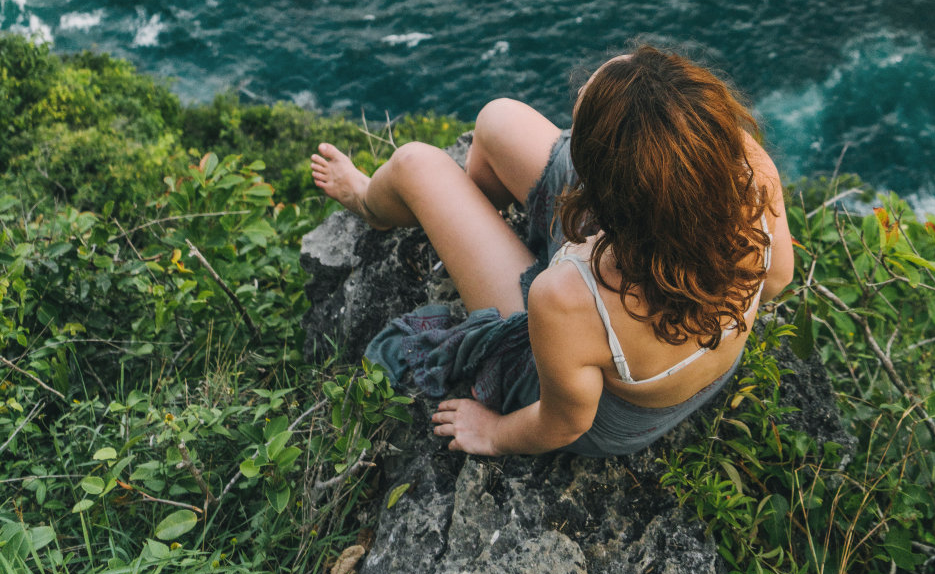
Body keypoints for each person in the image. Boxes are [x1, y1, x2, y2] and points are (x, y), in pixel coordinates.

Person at [309, 44, 794, 457]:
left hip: (602, 417)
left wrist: (494, 434)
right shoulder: (745, 166)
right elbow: (777, 280)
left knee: (416, 164)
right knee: (497, 119)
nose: (577, 102)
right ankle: (480, 224)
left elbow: (564, 423)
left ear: (601, 196)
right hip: (648, 242)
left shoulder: (567, 296)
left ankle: (371, 203)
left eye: (579, 129)